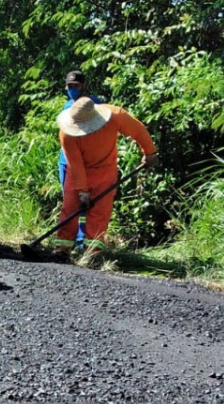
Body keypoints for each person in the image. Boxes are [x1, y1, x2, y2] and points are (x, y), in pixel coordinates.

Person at [52, 97, 159, 263]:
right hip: (77, 172)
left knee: (100, 212)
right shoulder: (66, 133)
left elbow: (138, 130)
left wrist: (150, 152)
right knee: (71, 207)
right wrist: (83, 191)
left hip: (105, 171)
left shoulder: (116, 116)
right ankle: (62, 249)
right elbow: (75, 163)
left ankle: (92, 253)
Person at [57, 70, 105, 246]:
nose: (72, 89)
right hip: (66, 162)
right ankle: (67, 242)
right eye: (69, 86)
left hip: (87, 163)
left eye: (76, 86)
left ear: (83, 86)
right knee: (70, 203)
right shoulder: (66, 106)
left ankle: (83, 240)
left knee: (88, 203)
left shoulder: (95, 105)